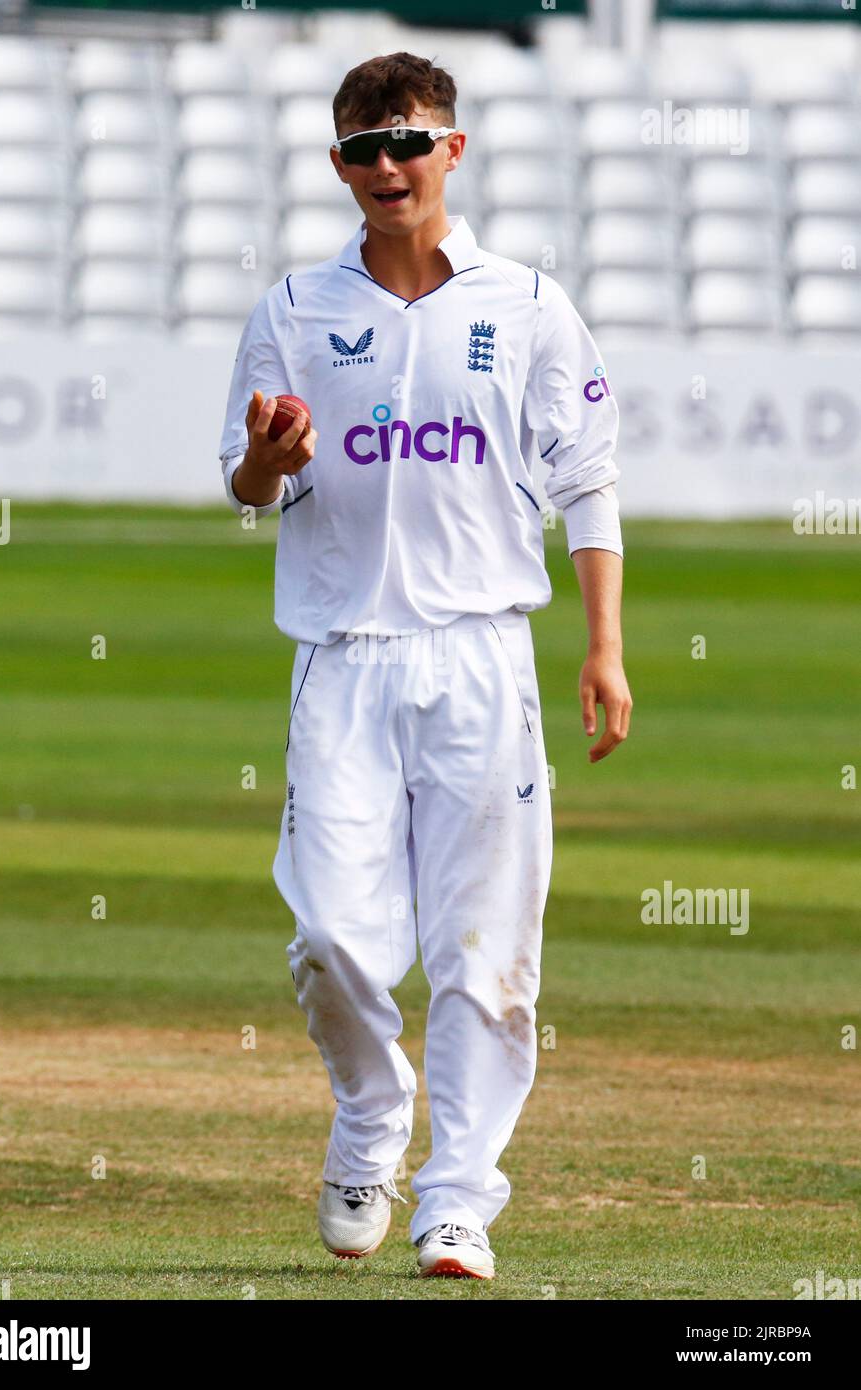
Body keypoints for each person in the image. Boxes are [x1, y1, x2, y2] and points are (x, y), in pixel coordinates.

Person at [219, 52, 632, 1281]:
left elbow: (587, 481)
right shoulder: (295, 309)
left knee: (485, 949)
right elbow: (249, 489)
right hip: (342, 658)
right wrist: (270, 456)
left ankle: (458, 1199)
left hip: (482, 658)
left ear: (452, 150)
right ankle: (370, 1113)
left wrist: (604, 642)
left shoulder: (529, 303)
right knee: (333, 939)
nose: (385, 167)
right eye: (361, 149)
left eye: (406, 142)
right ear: (337, 164)